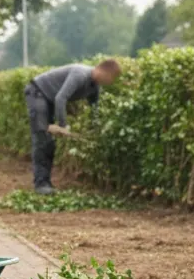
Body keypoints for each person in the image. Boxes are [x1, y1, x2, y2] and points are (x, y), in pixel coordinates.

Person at [24, 59, 121, 194]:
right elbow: (61, 98)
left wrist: (95, 132)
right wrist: (64, 126)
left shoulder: (95, 87)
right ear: (104, 72)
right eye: (112, 78)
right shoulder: (80, 74)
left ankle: (45, 182)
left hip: (49, 98)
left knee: (50, 143)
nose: (111, 82)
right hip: (38, 91)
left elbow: (94, 112)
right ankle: (41, 184)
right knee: (42, 138)